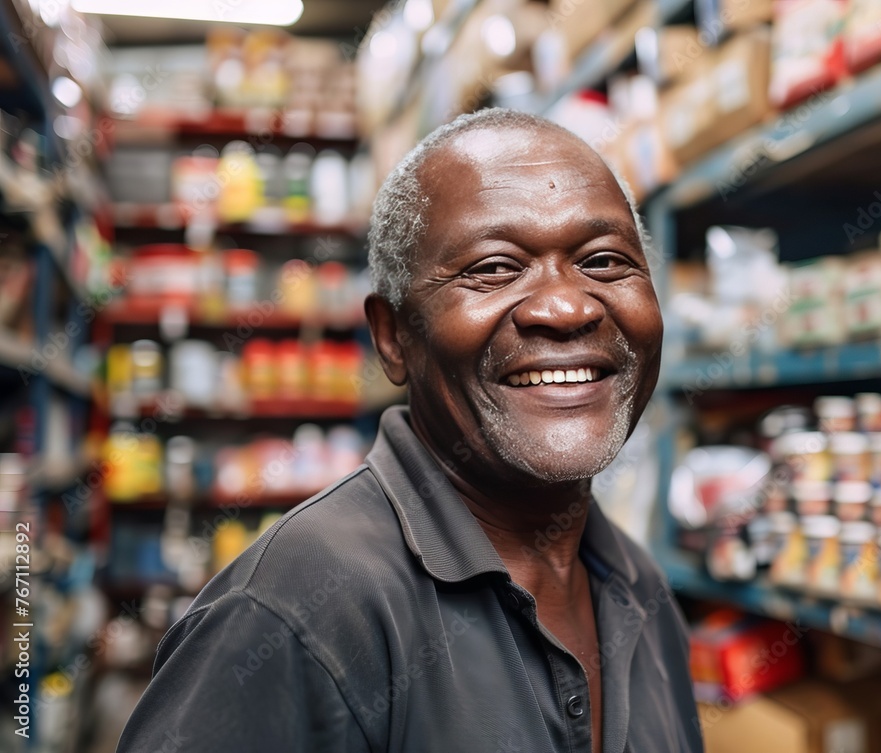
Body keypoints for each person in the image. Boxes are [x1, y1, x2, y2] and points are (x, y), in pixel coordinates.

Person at [117, 108, 702, 753]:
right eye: (494, 268)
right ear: (393, 338)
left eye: (603, 261)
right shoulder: (293, 616)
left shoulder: (641, 591)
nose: (565, 307)